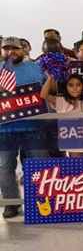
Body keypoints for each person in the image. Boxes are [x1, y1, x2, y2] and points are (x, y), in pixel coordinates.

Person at [0, 37, 48, 219]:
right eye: (7, 49)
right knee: (4, 167)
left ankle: (42, 201)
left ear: (23, 50)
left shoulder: (37, 68)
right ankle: (11, 203)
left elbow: (50, 90)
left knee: (40, 164)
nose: (11, 52)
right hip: (4, 128)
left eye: (15, 49)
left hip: (34, 126)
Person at [40, 73, 83, 157]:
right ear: (66, 87)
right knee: (77, 167)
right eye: (71, 85)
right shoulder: (61, 101)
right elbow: (43, 95)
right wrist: (50, 78)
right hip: (73, 143)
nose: (75, 88)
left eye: (78, 85)